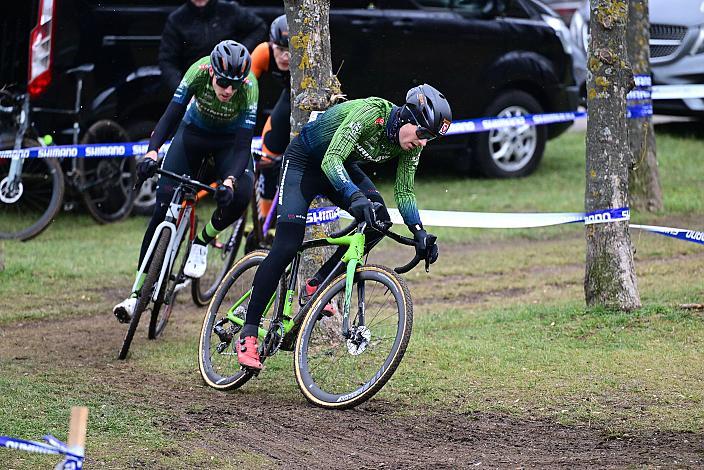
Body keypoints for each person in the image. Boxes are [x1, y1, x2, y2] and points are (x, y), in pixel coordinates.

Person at [236, 84, 452, 369]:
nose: (423, 143)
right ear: (407, 118)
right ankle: (248, 332)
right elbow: (331, 158)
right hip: (305, 163)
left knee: (379, 221)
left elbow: (405, 192)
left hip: (341, 167)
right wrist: (353, 195)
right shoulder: (369, 113)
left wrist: (419, 231)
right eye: (423, 134)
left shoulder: (410, 143)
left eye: (430, 138)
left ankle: (316, 285)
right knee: (287, 245)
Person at [113, 40, 258, 323]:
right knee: (161, 209)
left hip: (229, 144)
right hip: (193, 135)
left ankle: (201, 242)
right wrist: (152, 152)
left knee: (241, 193)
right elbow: (170, 116)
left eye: (234, 84)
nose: (228, 90)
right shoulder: (197, 72)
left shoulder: (249, 87)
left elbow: (242, 147)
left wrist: (229, 181)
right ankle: (136, 294)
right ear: (213, 72)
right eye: (224, 82)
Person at [158, 0, 266, 94]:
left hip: (230, 83)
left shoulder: (229, 10)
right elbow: (167, 60)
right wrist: (182, 90)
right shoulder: (177, 19)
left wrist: (238, 53)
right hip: (196, 86)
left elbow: (259, 27)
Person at [250, 14, 290, 222]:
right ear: (271, 44)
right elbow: (244, 89)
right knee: (267, 157)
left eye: (290, 51)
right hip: (287, 98)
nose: (284, 57)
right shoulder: (262, 52)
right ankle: (264, 221)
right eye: (280, 50)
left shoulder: (307, 59)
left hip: (300, 97)